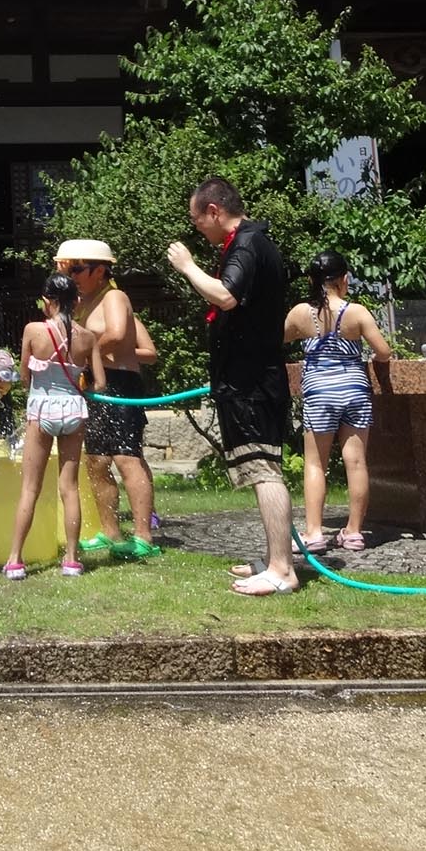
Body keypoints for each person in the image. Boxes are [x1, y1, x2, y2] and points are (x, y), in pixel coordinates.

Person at [166, 177, 298, 597]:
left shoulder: (247, 244)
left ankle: (282, 569)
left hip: (252, 382)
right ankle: (274, 558)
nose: (197, 229)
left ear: (213, 211)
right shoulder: (255, 243)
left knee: (263, 470)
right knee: (259, 467)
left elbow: (226, 296)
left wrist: (187, 266)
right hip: (249, 379)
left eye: (196, 220)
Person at [57, 239, 163, 560]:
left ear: (100, 270)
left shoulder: (114, 296)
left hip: (120, 384)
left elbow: (116, 334)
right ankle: (110, 531)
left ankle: (144, 536)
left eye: (77, 268)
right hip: (97, 385)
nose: (71, 274)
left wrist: (84, 355)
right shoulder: (84, 303)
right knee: (97, 461)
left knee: (126, 458)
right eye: (66, 268)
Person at [286, 250, 391, 554]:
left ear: (311, 280)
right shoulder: (356, 312)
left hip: (319, 390)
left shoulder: (300, 313)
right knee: (356, 463)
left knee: (315, 463)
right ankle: (355, 533)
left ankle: (315, 533)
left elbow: (275, 340)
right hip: (355, 388)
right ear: (344, 280)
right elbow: (383, 351)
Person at [4, 274, 104, 579]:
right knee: (69, 487)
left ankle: (15, 560)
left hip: (41, 408)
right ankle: (72, 560)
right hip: (74, 409)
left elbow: (23, 376)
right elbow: (100, 382)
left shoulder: (34, 330)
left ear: (48, 301)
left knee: (30, 488)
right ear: (75, 302)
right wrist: (79, 384)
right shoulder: (88, 336)